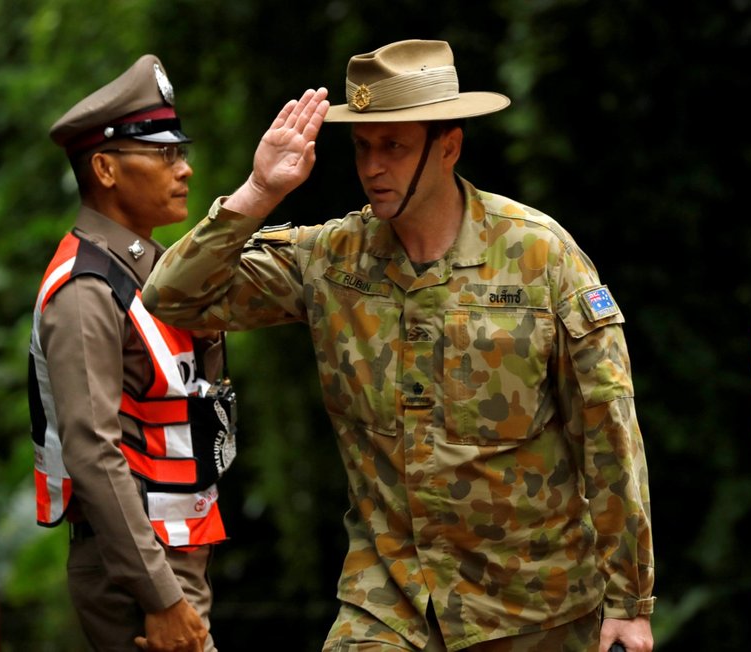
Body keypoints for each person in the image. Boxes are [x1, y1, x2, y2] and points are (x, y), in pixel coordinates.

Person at [142, 39, 655, 651]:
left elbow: (607, 430)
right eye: (362, 146)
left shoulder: (540, 258)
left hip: (531, 605)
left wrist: (629, 601)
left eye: (394, 146)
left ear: (449, 147)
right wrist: (259, 190)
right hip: (389, 602)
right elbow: (172, 296)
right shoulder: (331, 260)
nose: (373, 166)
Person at [30, 54, 238, 652]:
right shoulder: (85, 290)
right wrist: (161, 598)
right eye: (165, 155)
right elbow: (92, 453)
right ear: (105, 168)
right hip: (139, 574)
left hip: (172, 555)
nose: (186, 169)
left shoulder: (145, 273)